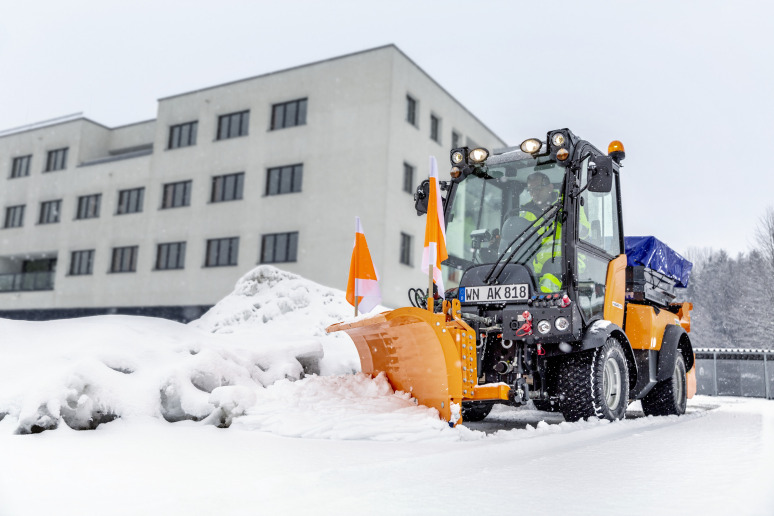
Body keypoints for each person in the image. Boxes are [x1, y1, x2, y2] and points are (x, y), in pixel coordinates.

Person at [517, 172, 590, 293]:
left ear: (550, 187)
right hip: (534, 265)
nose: (534, 193)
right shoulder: (525, 211)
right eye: (530, 190)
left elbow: (583, 231)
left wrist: (562, 216)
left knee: (549, 277)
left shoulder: (569, 203)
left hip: (567, 260)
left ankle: (544, 307)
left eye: (538, 188)